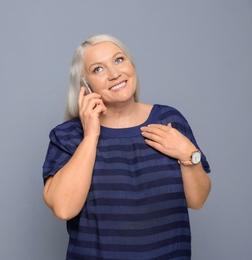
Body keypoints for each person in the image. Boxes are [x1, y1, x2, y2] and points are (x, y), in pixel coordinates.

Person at [42, 34, 211, 259]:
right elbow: (64, 208)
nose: (114, 74)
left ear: (131, 64)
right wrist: (91, 135)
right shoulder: (69, 136)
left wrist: (188, 154)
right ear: (85, 85)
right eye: (98, 70)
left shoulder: (170, 120)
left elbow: (197, 200)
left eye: (119, 60)